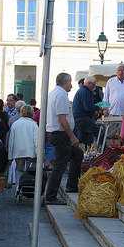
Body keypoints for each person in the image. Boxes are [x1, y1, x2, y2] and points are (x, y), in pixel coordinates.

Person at [46, 73, 84, 203]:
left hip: (58, 133)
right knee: (60, 165)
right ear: (65, 82)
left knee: (77, 154)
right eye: (70, 83)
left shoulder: (54, 93)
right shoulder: (61, 95)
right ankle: (51, 196)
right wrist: (72, 136)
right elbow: (62, 119)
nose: (71, 85)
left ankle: (72, 186)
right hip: (60, 134)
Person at [8, 105, 38, 186]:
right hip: (30, 153)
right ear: (32, 113)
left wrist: (10, 156)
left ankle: (18, 188)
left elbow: (11, 141)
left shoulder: (15, 124)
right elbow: (37, 141)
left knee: (19, 171)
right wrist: (38, 154)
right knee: (29, 172)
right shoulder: (34, 125)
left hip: (18, 153)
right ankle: (27, 189)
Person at [72, 76, 99, 147]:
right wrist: (98, 107)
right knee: (99, 132)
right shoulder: (86, 91)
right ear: (89, 83)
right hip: (83, 119)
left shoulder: (81, 91)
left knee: (85, 140)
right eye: (94, 84)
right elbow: (88, 107)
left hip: (79, 119)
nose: (94, 87)